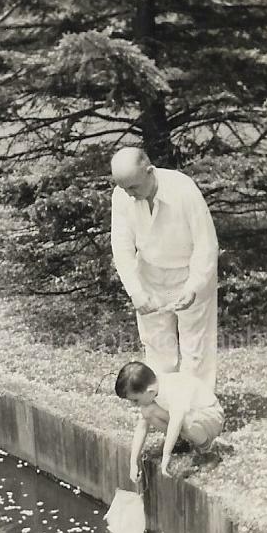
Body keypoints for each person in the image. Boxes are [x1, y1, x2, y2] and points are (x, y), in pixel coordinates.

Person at [110, 147, 219, 390]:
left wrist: (195, 286)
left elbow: (206, 243)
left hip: (189, 274)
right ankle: (164, 402)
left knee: (196, 349)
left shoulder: (183, 189)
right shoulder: (121, 195)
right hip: (150, 276)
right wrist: (135, 291)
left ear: (150, 172)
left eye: (133, 187)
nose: (128, 194)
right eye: (124, 188)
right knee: (158, 347)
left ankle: (198, 411)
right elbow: (121, 245)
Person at [115, 361, 225, 479]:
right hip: (192, 416)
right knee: (147, 412)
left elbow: (176, 422)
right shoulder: (153, 389)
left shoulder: (171, 388)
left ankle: (208, 450)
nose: (133, 405)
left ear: (150, 391)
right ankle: (181, 443)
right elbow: (141, 428)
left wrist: (166, 455)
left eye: (135, 400)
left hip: (211, 416)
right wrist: (133, 463)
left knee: (185, 423)